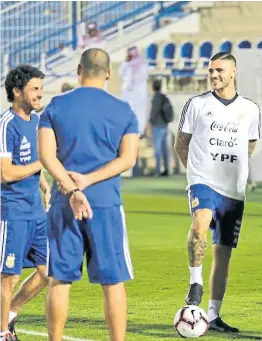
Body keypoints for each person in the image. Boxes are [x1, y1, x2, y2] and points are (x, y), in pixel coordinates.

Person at [38, 48, 139, 341]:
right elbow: (128, 159)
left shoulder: (55, 106)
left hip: (63, 203)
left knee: (60, 279)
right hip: (105, 203)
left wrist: (72, 189)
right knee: (113, 281)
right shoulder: (124, 111)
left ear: (79, 71)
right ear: (108, 73)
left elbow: (46, 155)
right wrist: (88, 181)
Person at [174, 52, 261, 333]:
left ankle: (213, 315)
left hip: (233, 189)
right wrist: (196, 172)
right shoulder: (197, 104)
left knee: (223, 253)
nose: (214, 75)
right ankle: (195, 283)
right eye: (211, 70)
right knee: (199, 224)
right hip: (203, 181)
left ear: (234, 72)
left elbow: (249, 146)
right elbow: (181, 144)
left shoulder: (250, 109)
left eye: (220, 70)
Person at [0, 65, 51, 341]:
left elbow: (34, 162)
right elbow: (5, 173)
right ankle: (2, 332)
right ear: (17, 91)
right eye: (34, 88)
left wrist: (45, 185)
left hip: (37, 212)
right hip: (13, 212)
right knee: (9, 276)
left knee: (48, 271)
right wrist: (41, 164)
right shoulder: (7, 124)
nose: (39, 94)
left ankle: (9, 313)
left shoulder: (36, 121)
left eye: (40, 88)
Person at [119, 46, 149, 134]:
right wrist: (126, 64)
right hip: (128, 92)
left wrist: (134, 81)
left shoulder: (142, 63)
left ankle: (140, 131)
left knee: (139, 112)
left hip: (139, 92)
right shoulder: (126, 64)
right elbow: (121, 74)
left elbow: (143, 76)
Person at [149, 79, 174, 176]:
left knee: (157, 149)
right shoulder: (164, 97)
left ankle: (158, 170)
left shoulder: (156, 98)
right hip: (165, 125)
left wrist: (150, 123)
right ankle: (167, 169)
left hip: (157, 126)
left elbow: (154, 112)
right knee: (165, 149)